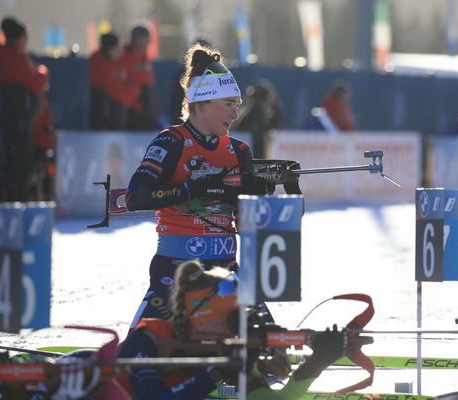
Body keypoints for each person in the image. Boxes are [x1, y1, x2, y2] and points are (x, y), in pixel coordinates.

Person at [124, 42, 272, 329]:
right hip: (178, 271)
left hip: (227, 271)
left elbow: (250, 227)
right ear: (201, 104)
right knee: (139, 357)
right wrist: (192, 189)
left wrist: (263, 199)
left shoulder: (239, 150)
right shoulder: (172, 141)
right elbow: (136, 196)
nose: (235, 114)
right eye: (229, 105)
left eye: (237, 106)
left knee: (269, 357)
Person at [118, 259, 347, 400]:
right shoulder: (149, 337)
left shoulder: (227, 351)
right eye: (231, 318)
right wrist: (215, 374)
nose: (237, 327)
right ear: (201, 315)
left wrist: (318, 362)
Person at [0, 16, 48, 201]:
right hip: (17, 118)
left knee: (8, 160)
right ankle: (17, 201)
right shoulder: (15, 57)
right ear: (18, 38)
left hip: (2, 116)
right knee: (19, 163)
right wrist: (42, 70)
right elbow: (37, 82)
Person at [88, 32, 139, 130]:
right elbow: (119, 95)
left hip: (109, 120)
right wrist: (136, 104)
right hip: (105, 124)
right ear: (110, 50)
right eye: (118, 47)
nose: (121, 50)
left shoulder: (108, 61)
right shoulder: (103, 68)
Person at [235, 79, 283, 158]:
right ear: (260, 99)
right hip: (253, 159)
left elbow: (273, 126)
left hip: (256, 157)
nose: (268, 103)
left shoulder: (255, 116)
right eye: (267, 100)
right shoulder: (253, 118)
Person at [122, 25, 156, 130]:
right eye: (143, 39)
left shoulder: (144, 57)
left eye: (147, 40)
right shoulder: (126, 56)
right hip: (129, 109)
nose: (146, 43)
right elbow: (134, 78)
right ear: (135, 40)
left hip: (144, 109)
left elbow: (150, 80)